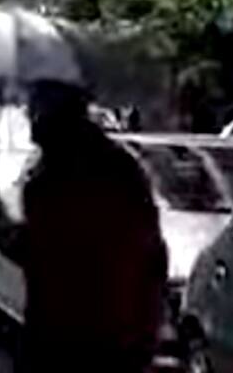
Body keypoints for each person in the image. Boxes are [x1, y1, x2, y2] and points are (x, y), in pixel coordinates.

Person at [16, 79, 167, 373]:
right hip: (113, 340)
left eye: (35, 109)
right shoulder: (122, 170)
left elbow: (49, 258)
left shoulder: (54, 182)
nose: (29, 119)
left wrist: (2, 229)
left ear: (55, 113)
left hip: (78, 341)